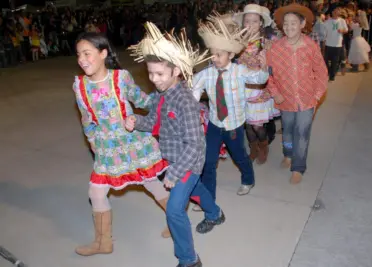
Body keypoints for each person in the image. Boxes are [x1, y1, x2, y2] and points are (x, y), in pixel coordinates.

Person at [126, 22, 225, 267]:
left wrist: (175, 173)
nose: (154, 79)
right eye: (150, 73)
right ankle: (215, 214)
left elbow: (194, 143)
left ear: (176, 72)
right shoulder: (162, 95)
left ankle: (189, 259)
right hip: (175, 157)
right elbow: (153, 122)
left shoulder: (185, 103)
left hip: (188, 161)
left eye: (159, 74)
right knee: (196, 191)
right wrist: (136, 121)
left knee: (174, 210)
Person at [72, 32, 171, 257]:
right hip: (106, 146)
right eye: (79, 55)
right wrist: (92, 142)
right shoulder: (79, 85)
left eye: (87, 53)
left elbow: (143, 100)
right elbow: (86, 117)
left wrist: (167, 91)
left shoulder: (120, 78)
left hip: (132, 141)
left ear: (103, 53)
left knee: (152, 183)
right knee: (96, 192)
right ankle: (103, 242)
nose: (82, 59)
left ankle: (176, 223)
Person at [193, 18, 269, 199]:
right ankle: (207, 197)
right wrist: (194, 107)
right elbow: (194, 89)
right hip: (214, 124)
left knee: (239, 156)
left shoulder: (239, 71)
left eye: (219, 54)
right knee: (208, 161)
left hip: (234, 125)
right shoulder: (206, 73)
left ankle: (248, 179)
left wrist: (264, 67)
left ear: (231, 55)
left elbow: (259, 79)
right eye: (212, 54)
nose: (215, 58)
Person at [267, 3, 328, 184]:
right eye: (285, 23)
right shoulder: (276, 48)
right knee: (287, 130)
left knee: (302, 132)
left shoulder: (310, 47)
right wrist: (274, 92)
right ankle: (288, 153)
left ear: (302, 24)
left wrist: (317, 95)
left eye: (293, 23)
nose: (289, 27)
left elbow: (322, 72)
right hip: (285, 98)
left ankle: (298, 167)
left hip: (307, 99)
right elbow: (268, 75)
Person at [233, 4, 279, 164]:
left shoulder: (267, 43)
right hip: (241, 89)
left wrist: (266, 66)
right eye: (247, 21)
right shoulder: (236, 43)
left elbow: (274, 68)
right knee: (247, 124)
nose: (250, 24)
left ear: (261, 23)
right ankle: (253, 148)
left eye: (254, 21)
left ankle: (263, 146)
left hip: (259, 90)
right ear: (243, 23)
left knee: (257, 125)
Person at [323, 7, 348, 81]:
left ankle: (332, 76)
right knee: (325, 60)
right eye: (336, 10)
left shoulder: (342, 21)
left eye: (339, 10)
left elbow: (346, 30)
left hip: (337, 44)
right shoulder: (328, 21)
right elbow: (324, 32)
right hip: (328, 43)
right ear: (333, 11)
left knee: (335, 61)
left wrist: (342, 30)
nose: (338, 11)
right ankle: (330, 72)